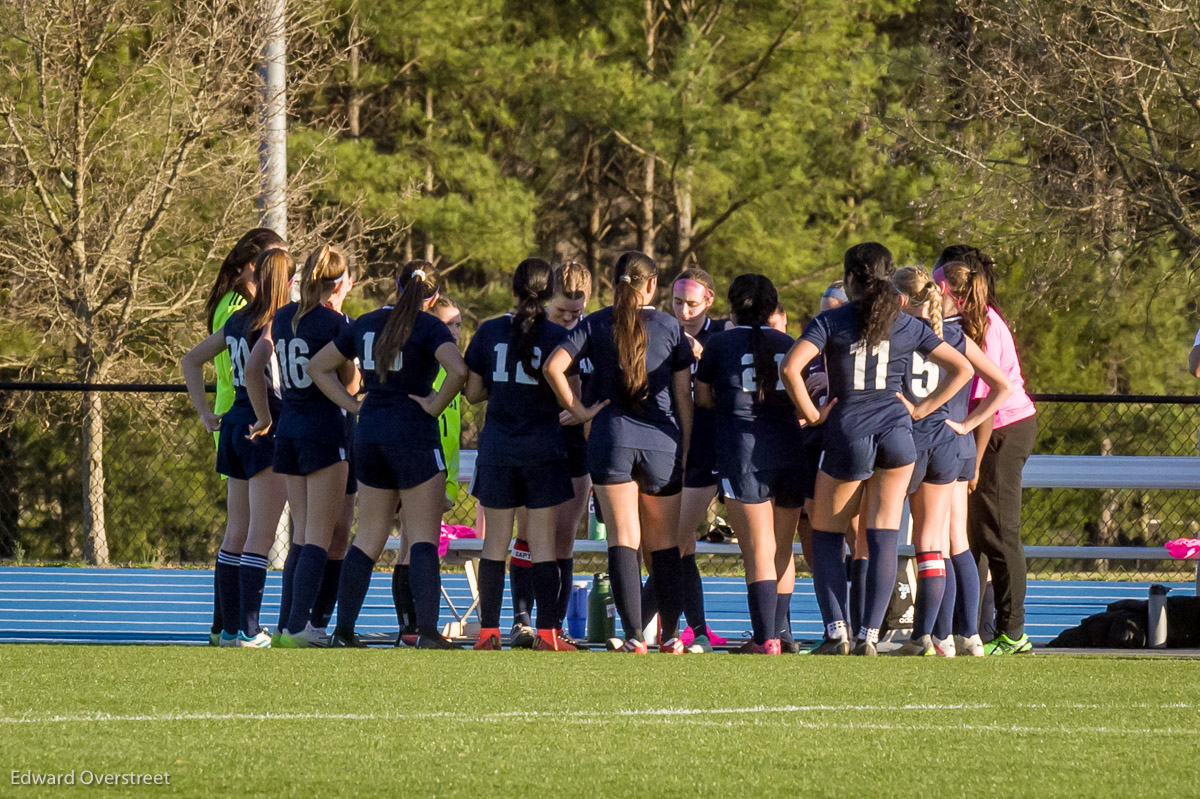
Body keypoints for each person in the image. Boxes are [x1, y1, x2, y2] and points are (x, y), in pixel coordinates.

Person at [781, 242, 973, 656]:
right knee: (884, 533)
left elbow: (790, 367)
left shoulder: (832, 320)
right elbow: (964, 369)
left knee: (828, 534)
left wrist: (811, 415)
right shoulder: (906, 323)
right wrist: (923, 408)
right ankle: (870, 634)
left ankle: (838, 632)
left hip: (848, 431)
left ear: (850, 278)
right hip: (898, 435)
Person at [307, 260, 467, 649]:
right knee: (423, 538)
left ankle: (343, 630)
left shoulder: (364, 322)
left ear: (397, 287)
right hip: (412, 432)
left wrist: (353, 404)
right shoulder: (429, 325)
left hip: (372, 431)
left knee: (369, 535)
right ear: (433, 296)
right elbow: (458, 372)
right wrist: (434, 404)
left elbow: (317, 367)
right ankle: (427, 631)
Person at [544, 251, 694, 653]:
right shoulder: (670, 327)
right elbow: (683, 399)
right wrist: (687, 446)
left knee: (623, 539)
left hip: (611, 439)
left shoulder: (593, 323)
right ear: (652, 286)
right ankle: (672, 636)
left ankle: (632, 637)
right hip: (662, 442)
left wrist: (578, 411)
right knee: (665, 544)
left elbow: (553, 367)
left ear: (613, 285)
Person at [891, 265, 1011, 656]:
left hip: (920, 443)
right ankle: (969, 635)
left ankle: (931, 634)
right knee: (956, 540)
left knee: (928, 541)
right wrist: (968, 423)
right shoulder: (959, 335)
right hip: (954, 443)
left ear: (901, 299)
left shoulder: (899, 336)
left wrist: (922, 409)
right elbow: (1003, 385)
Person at [245, 244, 358, 648]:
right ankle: (297, 627)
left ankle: (285, 625)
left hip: (289, 427)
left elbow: (252, 369)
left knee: (302, 536)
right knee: (316, 537)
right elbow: (350, 383)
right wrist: (353, 399)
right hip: (325, 430)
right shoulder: (336, 323)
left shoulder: (284, 315)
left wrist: (263, 416)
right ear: (340, 283)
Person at [464, 258, 578, 651]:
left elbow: (473, 392)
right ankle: (547, 633)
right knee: (543, 543)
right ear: (549, 292)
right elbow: (570, 394)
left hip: (498, 448)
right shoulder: (557, 336)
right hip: (543, 449)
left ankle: (488, 632)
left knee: (495, 542)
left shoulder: (489, 331)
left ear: (513, 288)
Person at [183, 247, 292, 648]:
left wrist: (206, 413)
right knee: (259, 537)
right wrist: (265, 418)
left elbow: (190, 360)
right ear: (287, 280)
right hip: (263, 427)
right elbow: (255, 368)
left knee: (236, 533)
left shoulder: (236, 318)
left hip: (231, 423)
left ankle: (228, 629)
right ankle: (249, 629)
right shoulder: (278, 320)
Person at [935, 249, 1038, 655]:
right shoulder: (963, 323)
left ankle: (1012, 632)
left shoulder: (986, 327)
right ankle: (971, 627)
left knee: (999, 531)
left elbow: (990, 404)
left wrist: (973, 463)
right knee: (972, 533)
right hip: (984, 431)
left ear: (951, 291)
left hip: (1002, 431)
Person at [694, 274, 803, 655]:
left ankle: (764, 638)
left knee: (758, 549)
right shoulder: (788, 342)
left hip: (743, 450)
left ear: (731, 306)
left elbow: (703, 397)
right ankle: (781, 633)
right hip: (790, 446)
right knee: (781, 548)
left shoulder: (720, 343)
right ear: (773, 308)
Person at [645, 267, 728, 652]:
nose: (683, 311)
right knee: (680, 547)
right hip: (667, 446)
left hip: (706, 449)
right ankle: (695, 627)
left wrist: (704, 355)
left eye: (692, 303)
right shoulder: (661, 332)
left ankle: (642, 624)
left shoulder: (722, 334)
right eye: (677, 302)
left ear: (709, 300)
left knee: (675, 542)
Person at [393, 295, 462, 647]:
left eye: (459, 324)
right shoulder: (425, 378)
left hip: (441, 478)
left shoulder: (454, 376)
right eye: (448, 324)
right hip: (417, 471)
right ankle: (412, 624)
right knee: (410, 545)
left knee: (421, 545)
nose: (455, 331)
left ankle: (419, 624)